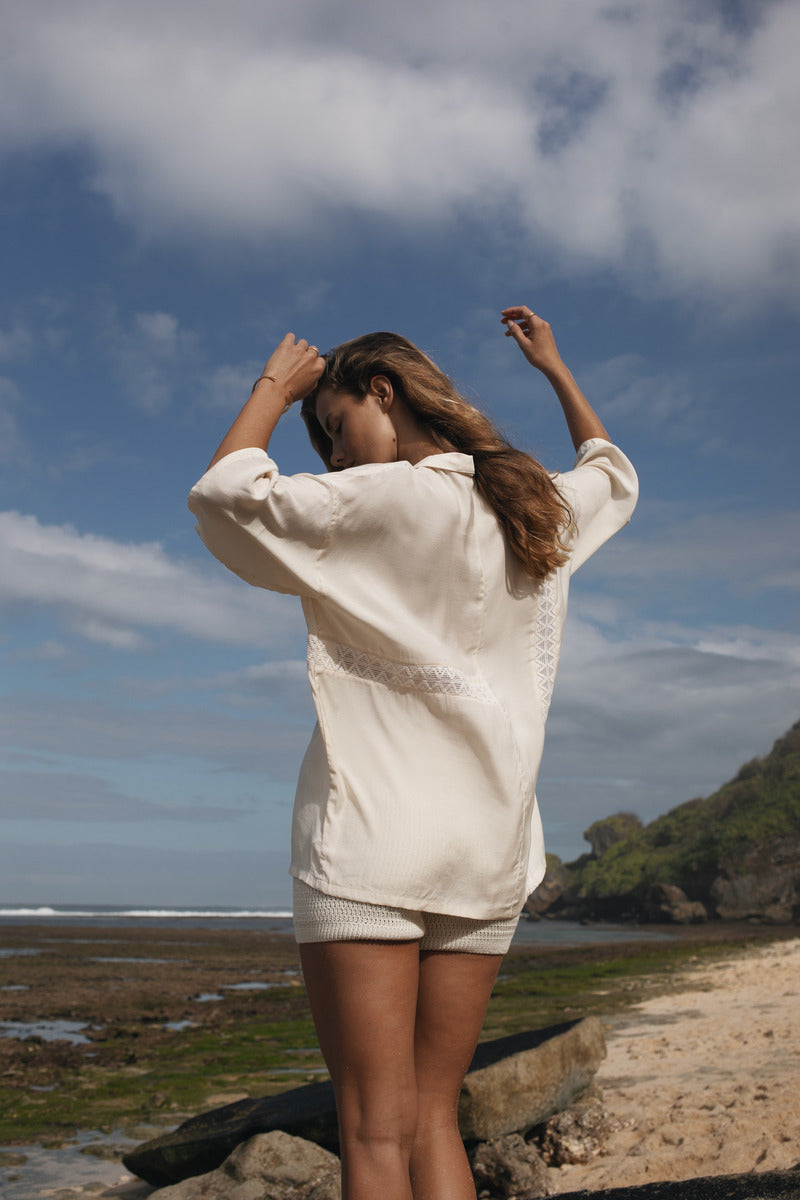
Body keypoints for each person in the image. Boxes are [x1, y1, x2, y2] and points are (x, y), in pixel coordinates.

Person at [188, 305, 638, 1200]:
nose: (337, 456)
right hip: (490, 847)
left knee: (373, 1132)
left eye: (338, 425)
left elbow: (225, 497)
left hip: (371, 837)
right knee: (435, 1118)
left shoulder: (381, 498)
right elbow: (612, 475)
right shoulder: (532, 508)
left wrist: (273, 391)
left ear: (383, 393)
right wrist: (556, 371)